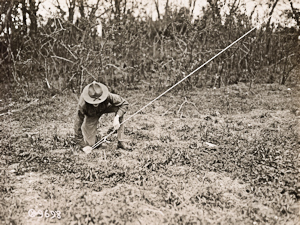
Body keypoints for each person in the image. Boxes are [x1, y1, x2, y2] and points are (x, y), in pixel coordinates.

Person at [74, 81, 130, 150]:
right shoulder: (82, 104)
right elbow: (77, 124)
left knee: (119, 108)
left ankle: (121, 141)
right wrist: (83, 146)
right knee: (90, 145)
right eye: (93, 102)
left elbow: (124, 103)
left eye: (98, 101)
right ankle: (97, 139)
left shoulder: (107, 95)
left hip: (104, 108)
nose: (96, 103)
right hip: (91, 115)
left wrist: (117, 117)